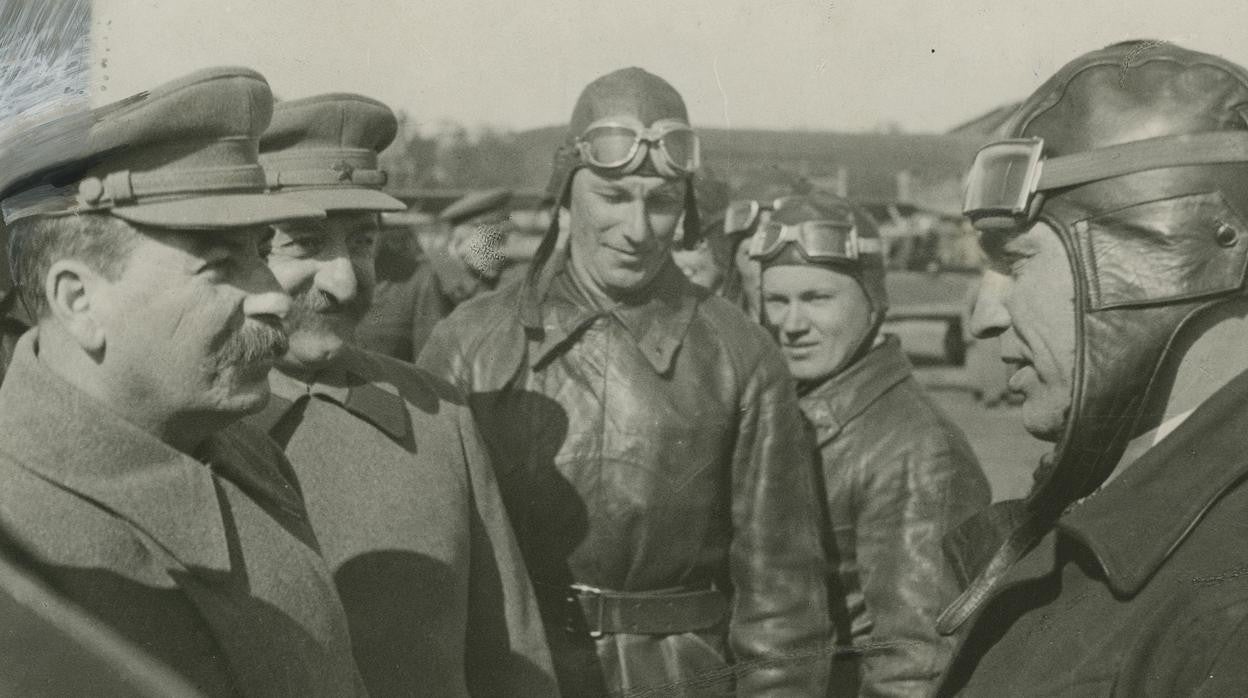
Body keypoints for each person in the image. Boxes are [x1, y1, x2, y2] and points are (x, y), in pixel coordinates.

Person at [418, 67, 831, 696]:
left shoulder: (743, 357)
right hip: (513, 675)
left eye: (661, 201)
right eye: (613, 197)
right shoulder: (466, 346)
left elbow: (782, 607)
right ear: (566, 193)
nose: (638, 230)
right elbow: (425, 577)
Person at [0, 67, 366, 696]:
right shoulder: (17, 532)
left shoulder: (245, 451)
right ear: (78, 300)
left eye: (259, 253)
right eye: (221, 263)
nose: (276, 298)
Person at [936, 41, 1248, 695]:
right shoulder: (1116, 506)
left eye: (1013, 261)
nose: (983, 319)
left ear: (1156, 258)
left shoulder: (1228, 609)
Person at [249, 93, 557, 697]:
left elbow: (514, 667)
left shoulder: (440, 419)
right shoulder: (183, 429)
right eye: (306, 243)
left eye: (362, 241)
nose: (344, 281)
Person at [747, 193, 991, 696]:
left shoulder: (917, 450)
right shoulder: (789, 411)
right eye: (777, 301)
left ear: (874, 302)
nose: (791, 325)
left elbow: (917, 668)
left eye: (817, 299)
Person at [354, 188, 512, 361]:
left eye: (503, 242)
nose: (501, 253)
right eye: (493, 242)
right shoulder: (431, 277)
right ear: (458, 238)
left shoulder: (495, 280)